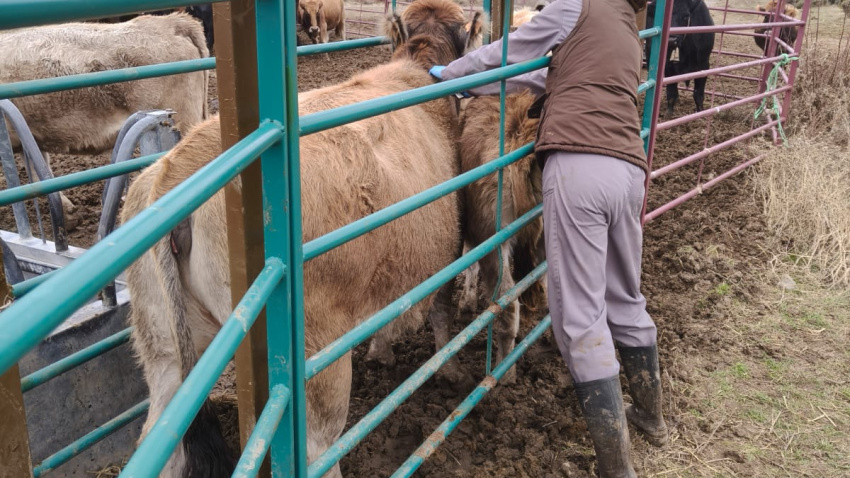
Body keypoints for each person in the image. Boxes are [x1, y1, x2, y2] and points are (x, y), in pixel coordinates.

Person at [429, 0, 669, 476]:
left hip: (580, 166)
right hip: (629, 168)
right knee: (625, 295)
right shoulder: (625, 24)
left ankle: (616, 466)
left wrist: (449, 74)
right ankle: (651, 416)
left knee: (579, 318)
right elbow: (549, 77)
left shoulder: (576, 6)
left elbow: (507, 53)